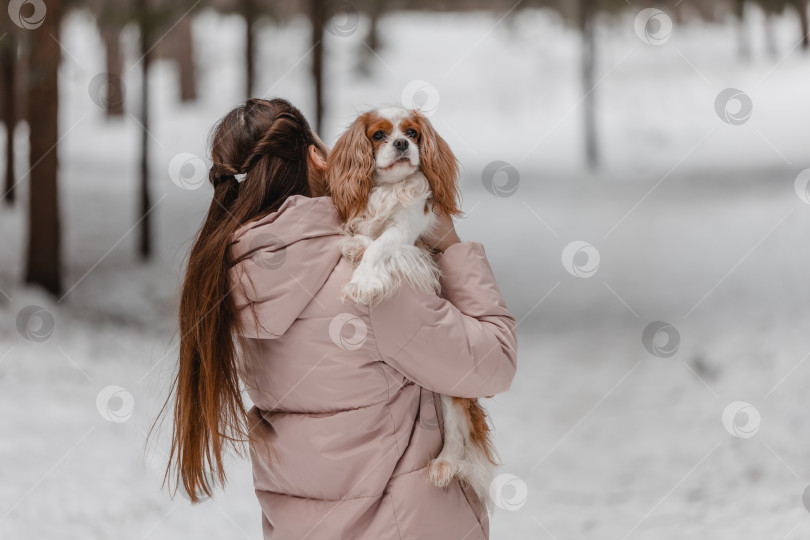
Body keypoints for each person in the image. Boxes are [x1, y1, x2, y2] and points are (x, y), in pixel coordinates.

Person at [159, 97, 517, 539]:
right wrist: (453, 247)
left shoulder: (235, 283)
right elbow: (494, 364)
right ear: (318, 157)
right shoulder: (369, 283)